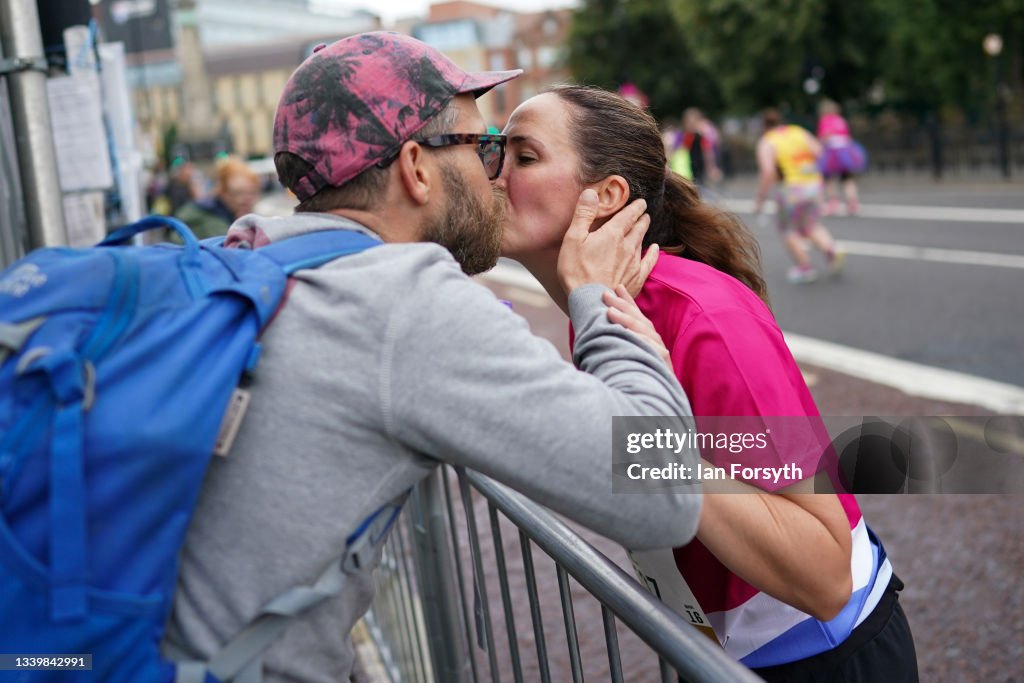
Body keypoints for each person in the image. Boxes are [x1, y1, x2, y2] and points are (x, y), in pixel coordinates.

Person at [161, 33, 704, 682]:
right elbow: (664, 489)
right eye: (484, 148)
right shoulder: (399, 300)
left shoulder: (247, 252)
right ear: (417, 168)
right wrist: (599, 297)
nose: (495, 174)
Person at [497, 85, 918, 682]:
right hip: (726, 654)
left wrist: (652, 445)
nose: (492, 175)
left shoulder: (704, 318)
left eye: (524, 156)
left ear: (607, 195)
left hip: (821, 658)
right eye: (497, 153)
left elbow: (824, 576)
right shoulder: (602, 313)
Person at [754, 108, 845, 284]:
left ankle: (805, 267)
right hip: (813, 184)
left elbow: (768, 172)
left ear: (764, 126)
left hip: (791, 189)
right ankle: (831, 250)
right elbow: (819, 152)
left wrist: (760, 199)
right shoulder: (798, 131)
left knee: (788, 229)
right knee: (810, 225)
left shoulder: (767, 141)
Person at [174, 156, 262, 239]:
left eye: (252, 192)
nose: (246, 200)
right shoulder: (212, 221)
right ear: (222, 192)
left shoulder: (226, 214)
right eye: (238, 193)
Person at [817, 99, 866, 216]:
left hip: (832, 152)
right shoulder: (841, 120)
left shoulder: (825, 120)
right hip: (846, 152)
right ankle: (853, 203)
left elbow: (825, 136)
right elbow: (847, 137)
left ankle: (833, 203)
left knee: (828, 179)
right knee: (847, 178)